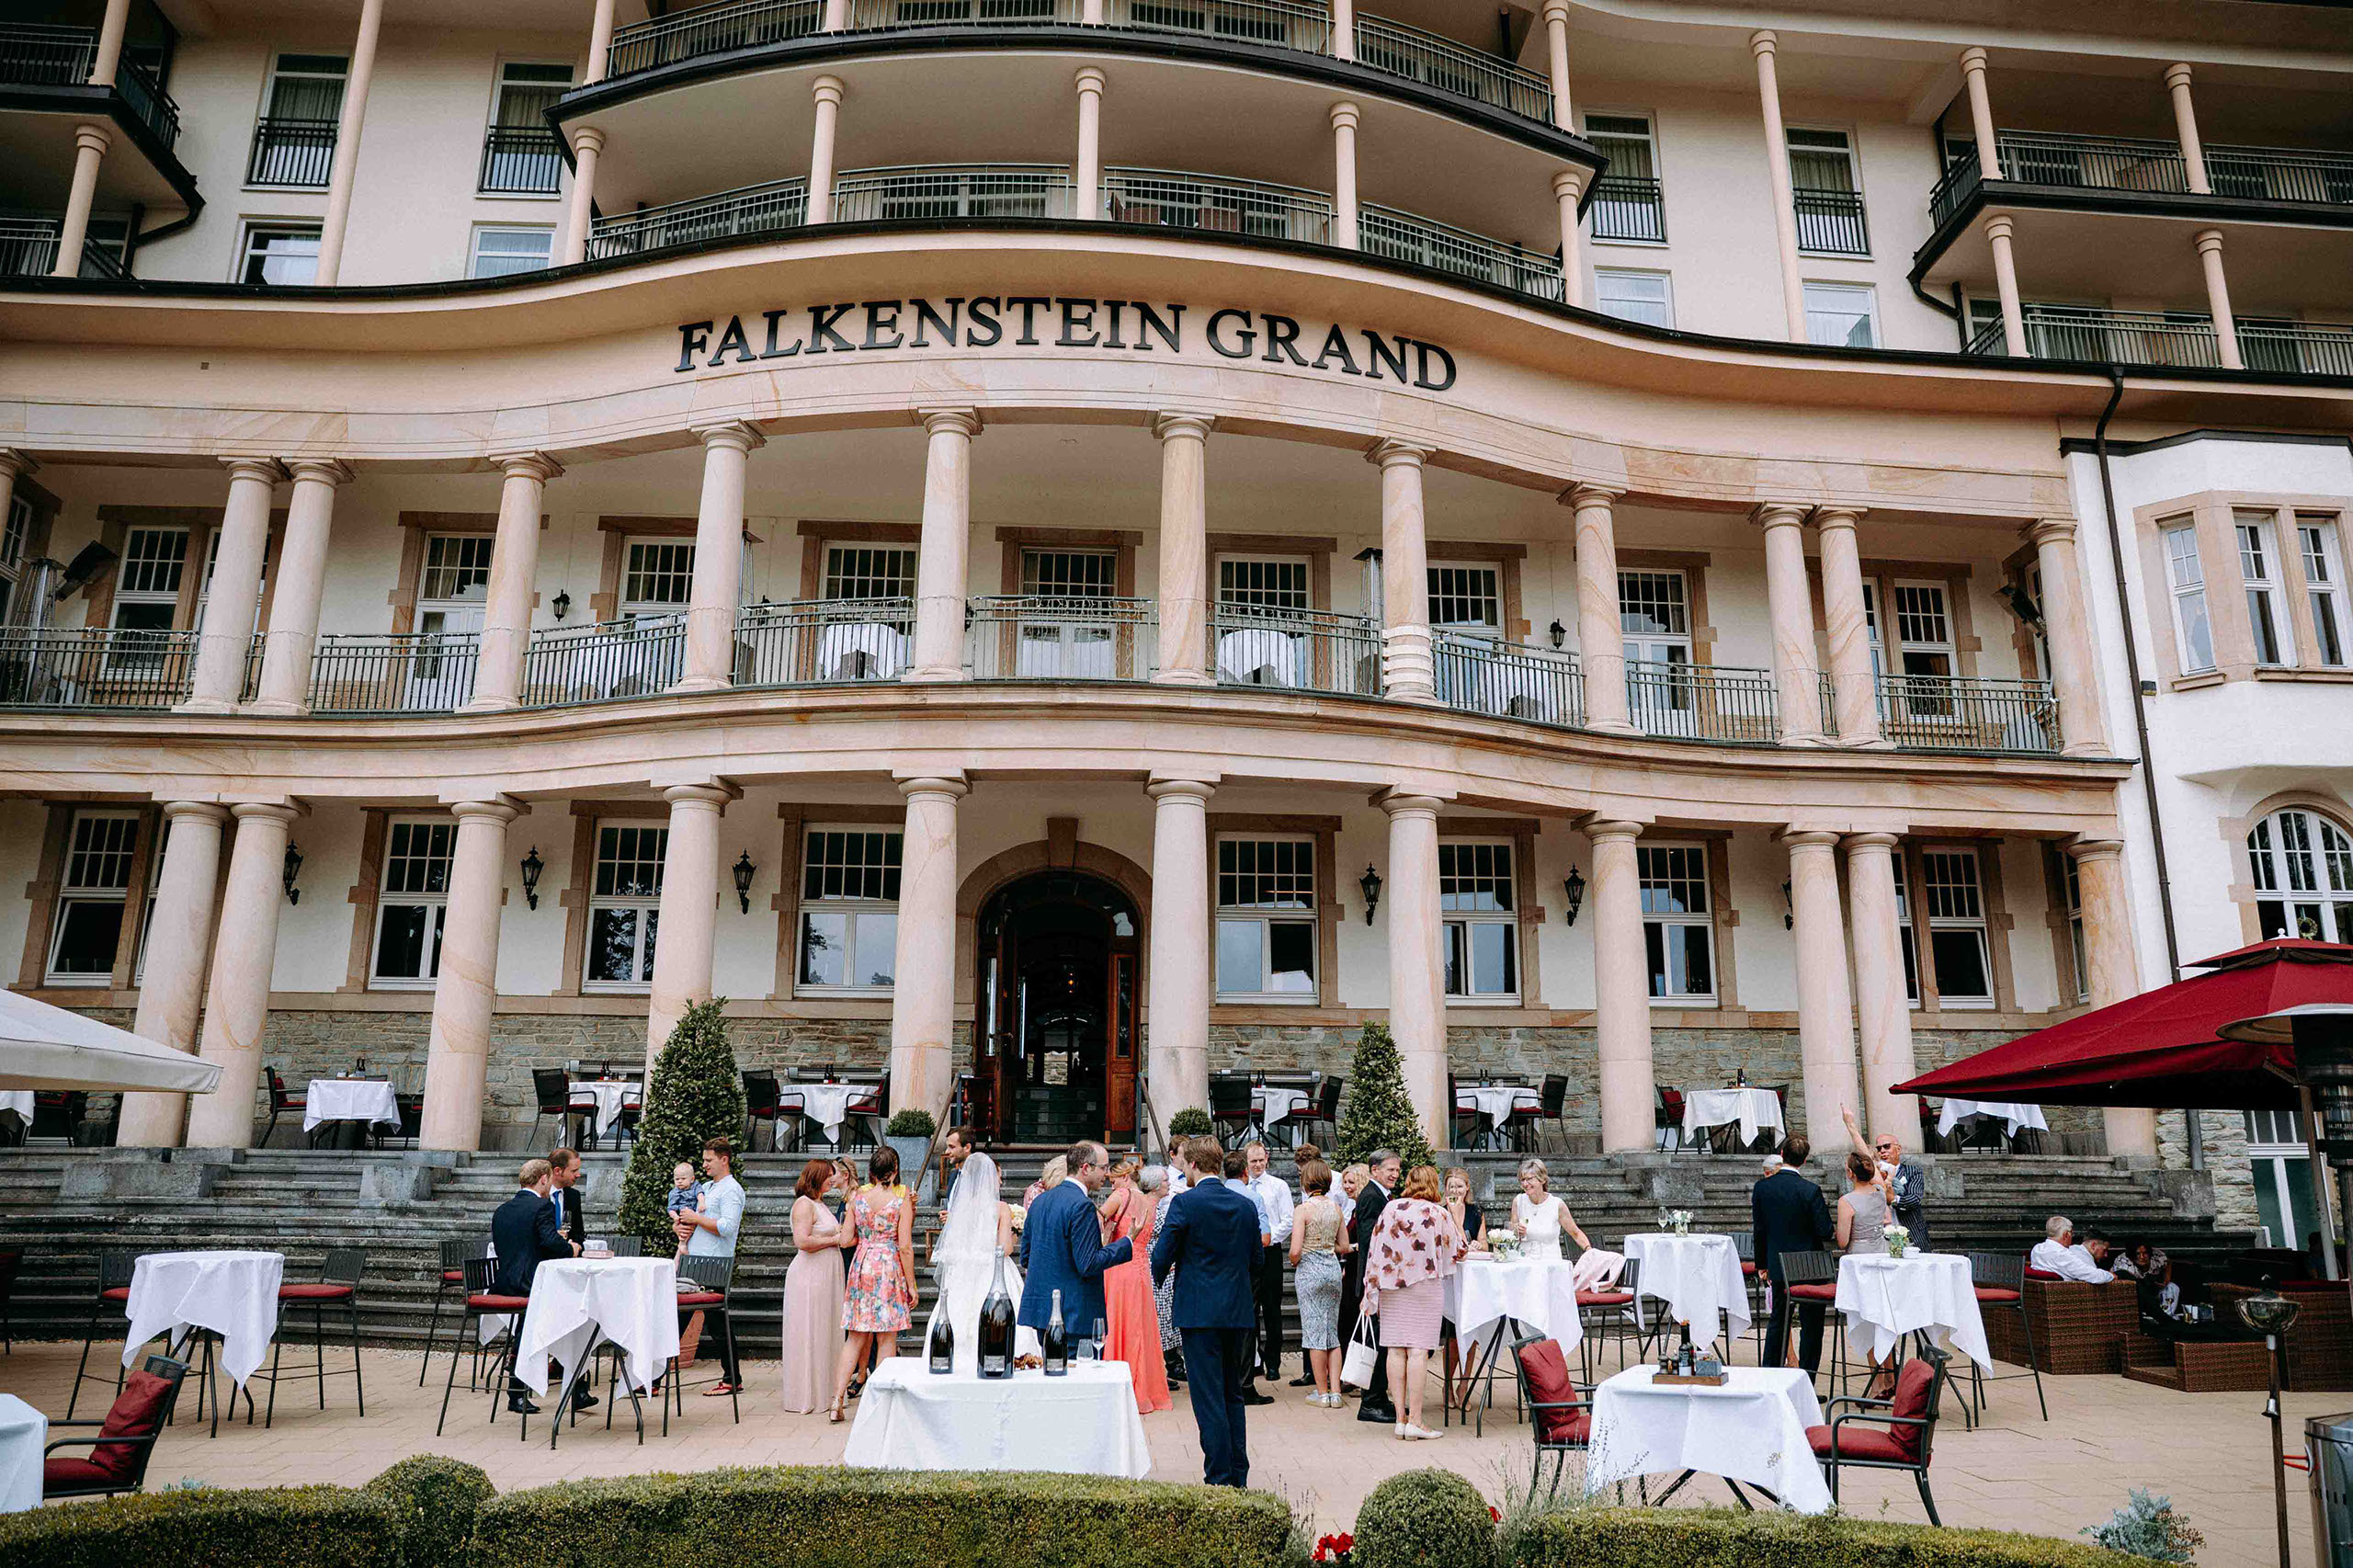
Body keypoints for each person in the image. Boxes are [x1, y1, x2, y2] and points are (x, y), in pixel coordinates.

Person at [1151, 1136, 1264, 1486]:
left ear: (1195, 1166)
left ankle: (1218, 1475)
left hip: (1198, 1311)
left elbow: (1160, 1257)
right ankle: (1238, 1473)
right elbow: (1257, 1261)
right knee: (1233, 1392)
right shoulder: (1244, 1205)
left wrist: (1164, 1272)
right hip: (1235, 1309)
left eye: (1185, 1164)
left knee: (1207, 1396)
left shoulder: (1185, 1204)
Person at [1364, 1165, 1465, 1441]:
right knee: (1418, 1351)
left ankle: (1400, 1419)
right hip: (1424, 1285)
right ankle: (1417, 1421)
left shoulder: (1391, 1208)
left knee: (1396, 1350)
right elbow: (1457, 1251)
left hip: (1391, 1286)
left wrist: (1369, 1288)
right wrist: (1456, 1218)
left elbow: (1374, 1249)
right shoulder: (1438, 1212)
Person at [924, 1150, 1036, 1373]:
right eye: (999, 1176)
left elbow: (955, 1244)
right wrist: (1012, 1234)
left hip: (964, 1270)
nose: (1001, 1181)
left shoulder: (960, 1208)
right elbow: (1004, 1249)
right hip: (992, 1270)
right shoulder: (1000, 1208)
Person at [490, 1157, 581, 1415]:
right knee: (577, 1313)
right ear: (543, 1179)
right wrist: (571, 1248)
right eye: (549, 1180)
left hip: (503, 1284)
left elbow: (516, 1247)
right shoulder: (542, 1206)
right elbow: (551, 1242)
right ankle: (523, 1389)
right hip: (530, 1287)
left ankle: (578, 1387)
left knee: (567, 1315)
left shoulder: (502, 1210)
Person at [1018, 1141, 1131, 1347]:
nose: (1106, 1175)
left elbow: (1026, 1256)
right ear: (1085, 1168)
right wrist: (1126, 1243)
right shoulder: (1082, 1205)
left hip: (1042, 1312)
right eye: (1103, 1168)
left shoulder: (1041, 1201)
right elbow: (1087, 1264)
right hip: (1074, 1316)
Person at [834, 1143, 916, 1421]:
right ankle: (879, 1402)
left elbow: (845, 1239)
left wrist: (865, 1240)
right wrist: (912, 1284)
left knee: (855, 1336)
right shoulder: (900, 1200)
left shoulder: (857, 1198)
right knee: (886, 1336)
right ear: (894, 1172)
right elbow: (905, 1246)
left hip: (861, 1264)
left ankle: (837, 1400)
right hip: (889, 1265)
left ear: (870, 1171)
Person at [1752, 1133, 1835, 1371]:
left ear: (1781, 1155)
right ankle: (1807, 1379)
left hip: (1778, 1262)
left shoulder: (1763, 1188)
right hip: (1810, 1264)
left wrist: (1762, 1264)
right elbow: (1825, 1230)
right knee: (1812, 1326)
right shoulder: (1809, 1190)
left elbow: (1759, 1229)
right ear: (1805, 1160)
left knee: (1779, 1319)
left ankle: (1771, 1373)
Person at [674, 1136, 747, 1397]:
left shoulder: (732, 1190)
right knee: (678, 1319)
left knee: (717, 1324)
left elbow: (727, 1227)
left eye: (708, 1160)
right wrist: (682, 1224)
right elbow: (694, 1221)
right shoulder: (706, 1187)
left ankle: (732, 1378)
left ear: (723, 1159)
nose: (704, 1165)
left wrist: (696, 1217)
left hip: (714, 1264)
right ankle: (654, 1377)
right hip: (695, 1261)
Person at [1101, 1158, 1172, 1414]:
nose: (1110, 1186)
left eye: (1112, 1180)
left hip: (1120, 1266)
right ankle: (1144, 1389)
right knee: (1139, 1327)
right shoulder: (1148, 1203)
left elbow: (1098, 1219)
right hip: (1142, 1269)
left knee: (1118, 1324)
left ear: (1123, 1178)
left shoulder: (1121, 1195)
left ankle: (1118, 1384)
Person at [781, 1158, 849, 1413]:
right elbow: (802, 1241)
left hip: (826, 1274)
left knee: (826, 1330)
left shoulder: (820, 1204)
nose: (832, 1179)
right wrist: (834, 1239)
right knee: (811, 1330)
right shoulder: (804, 1204)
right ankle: (807, 1394)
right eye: (829, 1175)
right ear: (816, 1176)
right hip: (811, 1276)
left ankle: (826, 1389)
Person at [1339, 1149, 1401, 1426]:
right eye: (1390, 1169)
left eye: (1398, 1170)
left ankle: (1378, 1397)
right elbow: (1370, 1242)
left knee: (1382, 1342)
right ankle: (1372, 1401)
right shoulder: (1372, 1198)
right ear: (1374, 1170)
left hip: (1377, 1280)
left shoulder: (1380, 1196)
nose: (1395, 1174)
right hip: (1375, 1282)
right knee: (1377, 1344)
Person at [1834, 1150, 1897, 1396]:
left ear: (1850, 1173)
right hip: (1881, 1255)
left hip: (1860, 1261)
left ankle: (1879, 1381)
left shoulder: (1847, 1201)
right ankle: (1889, 1376)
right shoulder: (1880, 1193)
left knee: (1868, 1320)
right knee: (1883, 1318)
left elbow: (1842, 1240)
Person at [1289, 1160, 1347, 1407]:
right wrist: (1326, 1247)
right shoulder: (1336, 1208)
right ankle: (1336, 1392)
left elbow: (1294, 1251)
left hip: (1310, 1272)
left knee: (1314, 1334)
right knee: (1331, 1333)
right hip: (1332, 1270)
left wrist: (1299, 1258)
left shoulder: (1303, 1210)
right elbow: (1344, 1246)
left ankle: (1321, 1393)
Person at [1844, 1105, 1929, 1250]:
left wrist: (1893, 1199)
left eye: (1887, 1146)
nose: (1882, 1151)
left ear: (1898, 1149)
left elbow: (1915, 1198)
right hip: (1881, 1234)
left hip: (1910, 1229)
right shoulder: (1872, 1173)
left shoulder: (1913, 1171)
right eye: (1879, 1148)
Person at [1438, 1165, 1487, 1403]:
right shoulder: (1440, 1212)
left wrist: (1478, 1245)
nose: (1455, 1190)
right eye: (1450, 1187)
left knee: (1472, 1332)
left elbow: (1484, 1243)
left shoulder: (1476, 1211)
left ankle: (1464, 1385)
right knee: (1453, 1338)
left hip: (1472, 1280)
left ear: (1467, 1188)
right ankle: (1447, 1385)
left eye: (1459, 1186)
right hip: (1449, 1280)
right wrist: (1455, 1217)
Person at [1508, 1158, 1587, 1260]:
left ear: (1543, 1179)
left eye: (1529, 1179)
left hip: (1550, 1264)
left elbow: (1575, 1233)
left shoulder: (1557, 1204)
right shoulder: (1518, 1201)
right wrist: (1516, 1231)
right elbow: (1511, 1236)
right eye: (1522, 1180)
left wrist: (1589, 1250)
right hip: (1524, 1262)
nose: (1525, 1184)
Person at [1151, 1165, 1185, 1385]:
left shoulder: (1160, 1207)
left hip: (1165, 1269)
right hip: (1154, 1269)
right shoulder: (1149, 1208)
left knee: (1165, 1322)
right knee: (1158, 1321)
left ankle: (1170, 1363)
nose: (1168, 1183)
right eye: (1164, 1181)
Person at [2030, 1216, 2116, 1283]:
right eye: (2071, 1233)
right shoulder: (2062, 1254)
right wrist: (2110, 1275)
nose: (2072, 1236)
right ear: (2065, 1235)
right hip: (2067, 1296)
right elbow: (2093, 1276)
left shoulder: (2037, 1249)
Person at [547, 1147, 586, 1251]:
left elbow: (578, 1233)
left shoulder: (573, 1196)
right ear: (558, 1171)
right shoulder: (540, 1195)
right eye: (574, 1171)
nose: (578, 1175)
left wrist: (573, 1246)